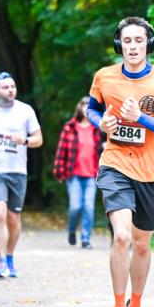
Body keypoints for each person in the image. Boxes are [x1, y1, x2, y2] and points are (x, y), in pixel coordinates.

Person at [86, 16, 154, 307]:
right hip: (115, 164)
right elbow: (92, 108)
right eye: (126, 41)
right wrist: (102, 123)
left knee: (142, 244)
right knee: (122, 237)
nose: (132, 47)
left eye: (138, 41)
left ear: (148, 44)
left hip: (152, 172)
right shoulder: (104, 77)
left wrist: (141, 118)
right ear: (119, 44)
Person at [0, 72, 43, 279]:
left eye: (12, 86)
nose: (10, 90)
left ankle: (10, 255)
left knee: (13, 219)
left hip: (18, 170)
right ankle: (1, 261)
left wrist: (24, 140)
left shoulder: (26, 111)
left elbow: (39, 139)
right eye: (5, 87)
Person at [53, 97, 106, 248]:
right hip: (73, 174)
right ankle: (71, 230)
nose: (87, 108)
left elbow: (104, 148)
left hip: (92, 174)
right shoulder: (70, 127)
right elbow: (61, 150)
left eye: (90, 106)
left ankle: (85, 239)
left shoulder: (98, 128)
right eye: (84, 105)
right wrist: (59, 172)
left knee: (89, 207)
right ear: (80, 108)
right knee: (75, 206)